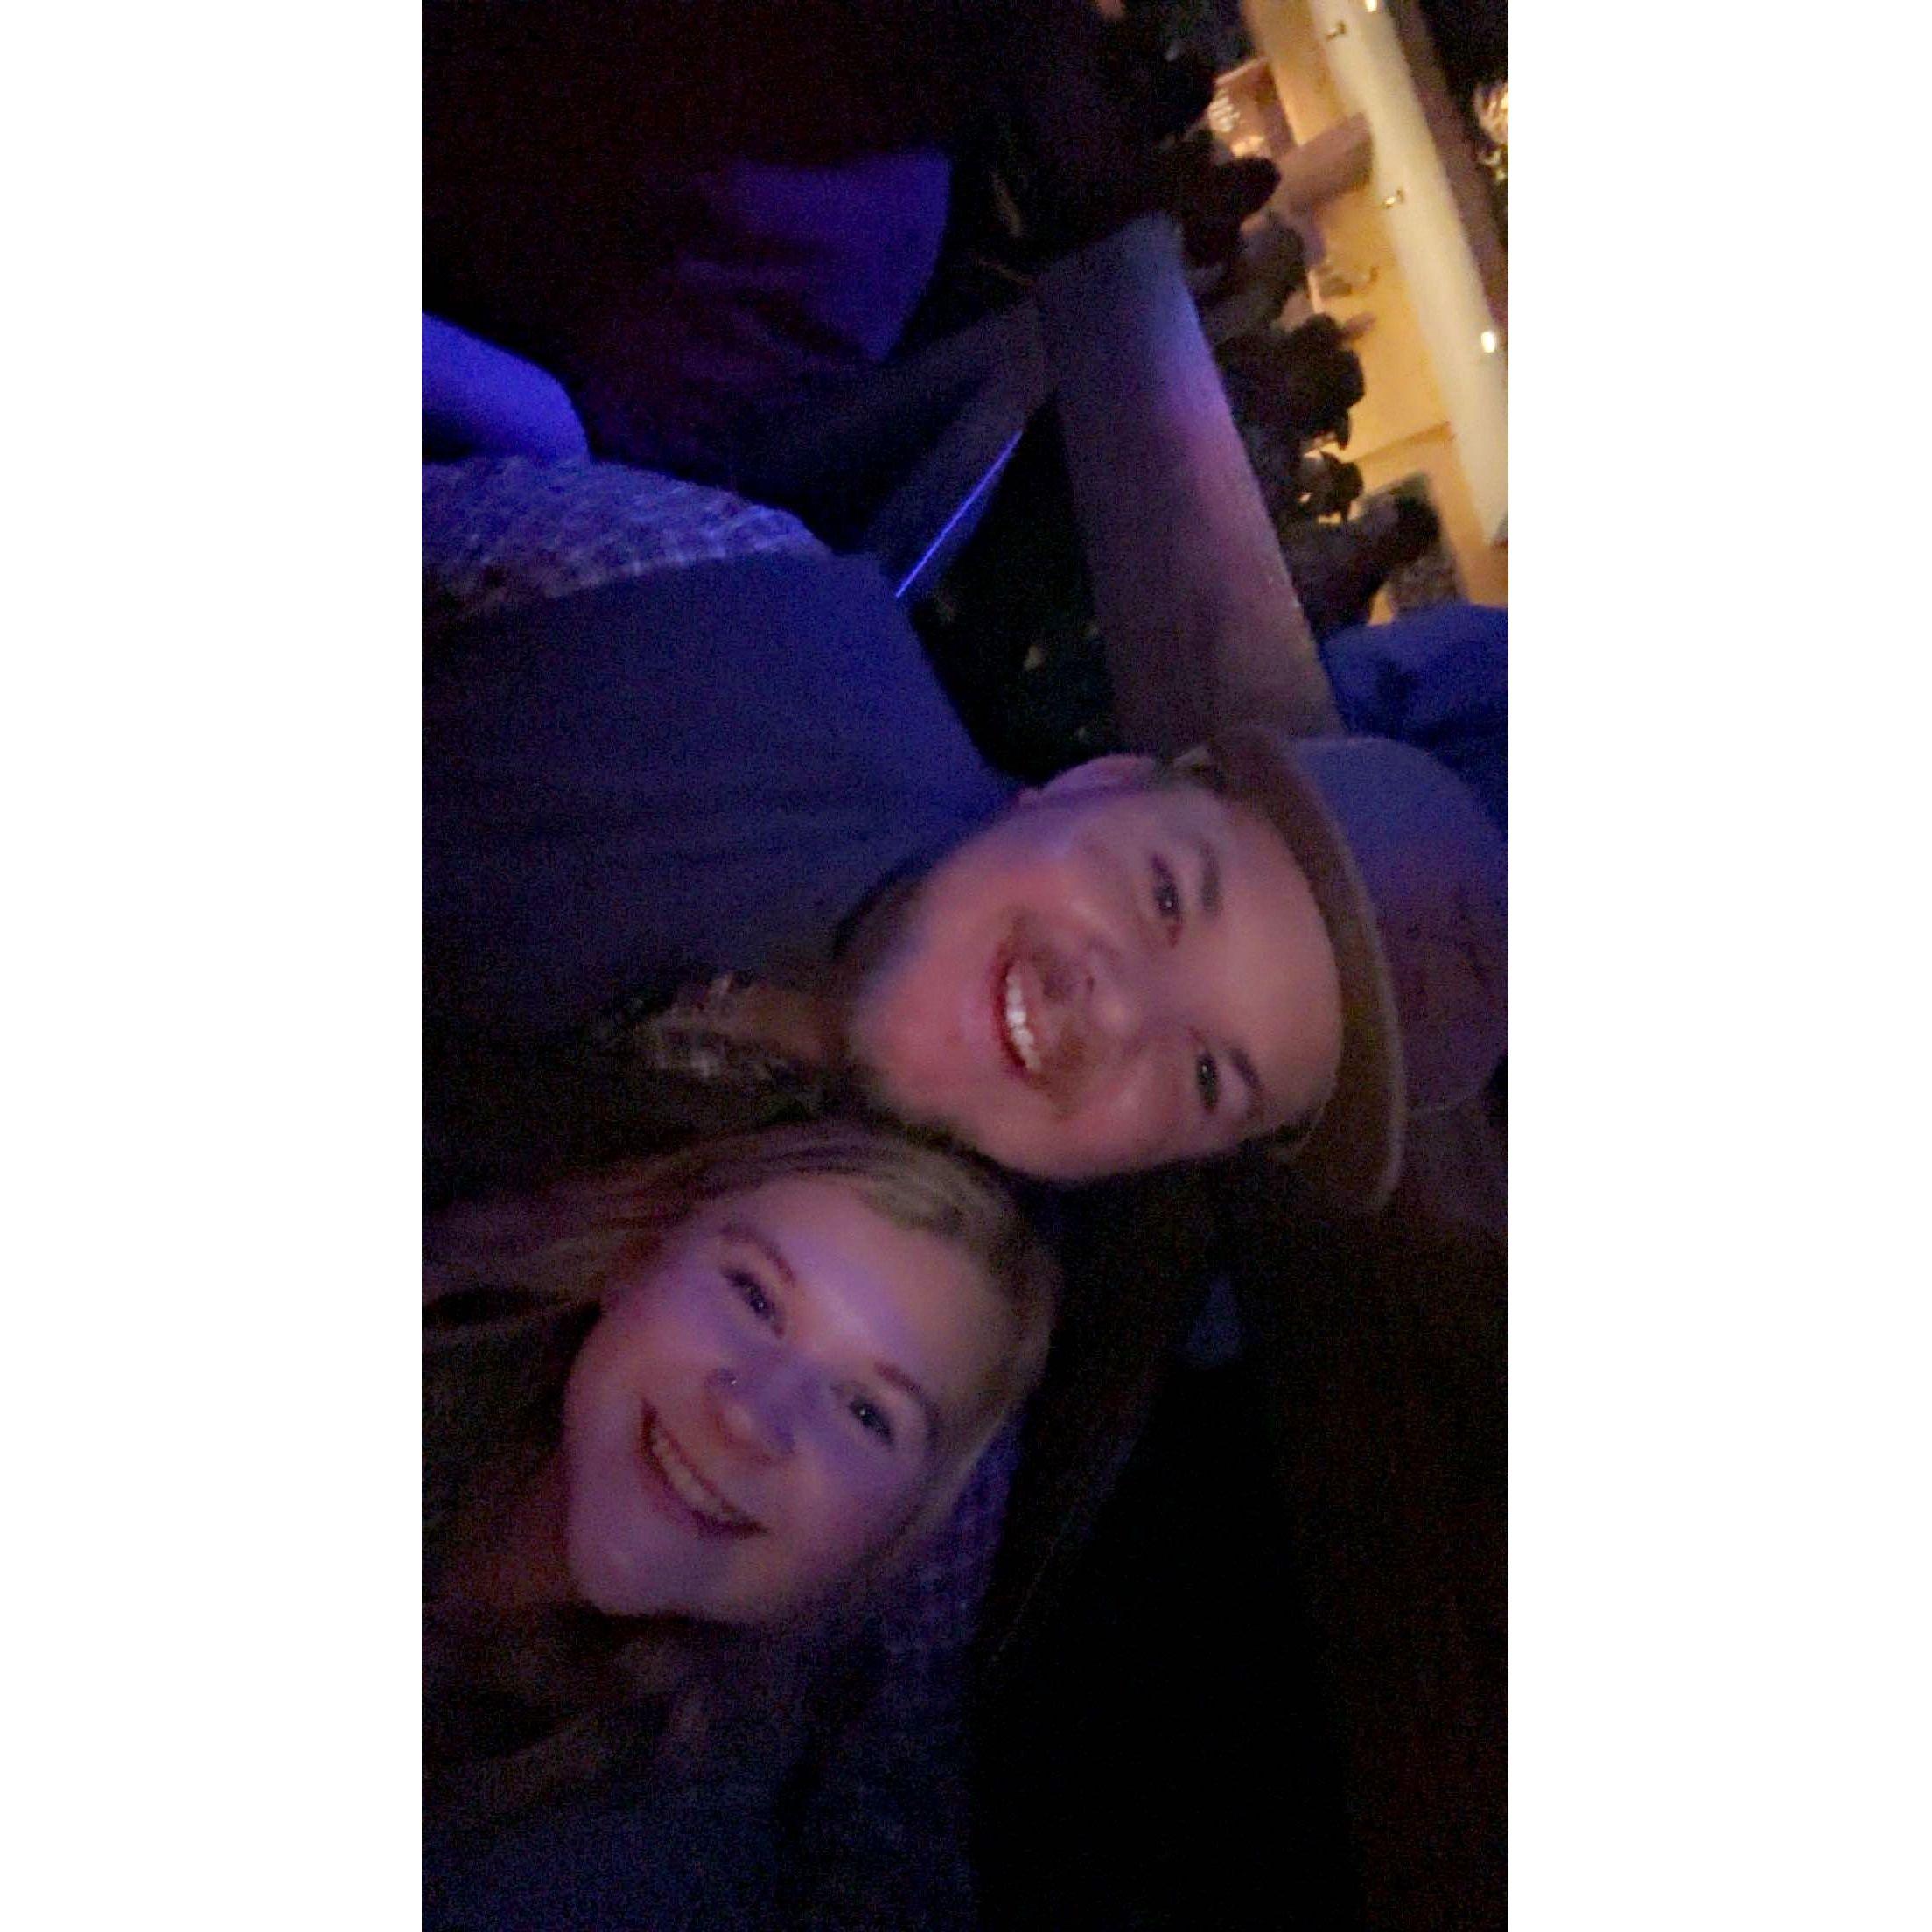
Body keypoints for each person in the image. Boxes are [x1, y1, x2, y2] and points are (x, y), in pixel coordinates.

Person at [424, 462, 1506, 1216]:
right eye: (1166, 896)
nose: (1115, 1010)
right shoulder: (711, 589)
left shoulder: (873, 1383)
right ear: (1097, 783)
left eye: (1209, 1077)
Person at [424, 1119, 1059, 1928]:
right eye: (754, 1297)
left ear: (890, 1539)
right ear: (636, 1263)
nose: (754, 1417)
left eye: (867, 1413)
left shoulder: (627, 1864)